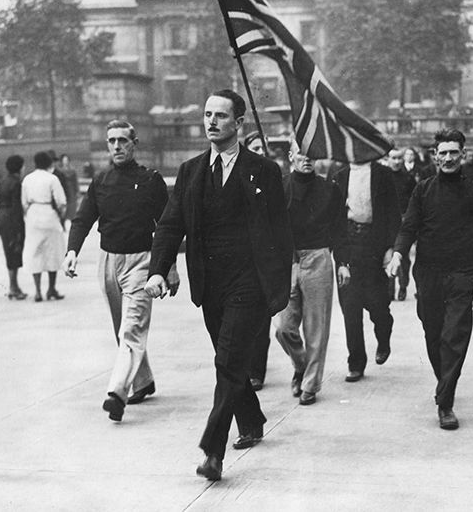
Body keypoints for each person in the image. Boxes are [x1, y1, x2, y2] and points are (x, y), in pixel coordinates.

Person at [144, 89, 293, 482]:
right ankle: (252, 418)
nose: (211, 122)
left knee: (228, 360)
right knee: (229, 357)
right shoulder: (192, 169)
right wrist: (160, 269)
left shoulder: (263, 170)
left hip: (249, 281)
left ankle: (213, 450)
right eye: (207, 114)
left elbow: (281, 232)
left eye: (221, 116)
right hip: (210, 282)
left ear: (239, 123)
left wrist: (278, 286)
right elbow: (171, 223)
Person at [61, 120, 176, 422]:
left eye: (123, 141)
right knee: (121, 329)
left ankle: (117, 393)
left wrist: (169, 267)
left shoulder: (151, 180)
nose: (116, 146)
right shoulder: (101, 181)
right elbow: (83, 219)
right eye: (111, 141)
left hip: (142, 263)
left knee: (131, 328)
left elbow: (167, 227)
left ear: (134, 143)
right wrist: (72, 251)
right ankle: (143, 381)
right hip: (108, 262)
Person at [386, 129, 473, 430]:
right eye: (443, 153)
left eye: (454, 152)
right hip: (428, 272)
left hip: (461, 272)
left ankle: (445, 403)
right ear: (435, 156)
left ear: (463, 154)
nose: (448, 158)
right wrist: (398, 253)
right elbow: (408, 227)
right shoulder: (422, 190)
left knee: (455, 336)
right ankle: (444, 383)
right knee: (433, 333)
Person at [274, 140, 346, 405]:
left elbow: (340, 229)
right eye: (301, 152)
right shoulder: (279, 187)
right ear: (291, 156)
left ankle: (310, 385)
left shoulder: (329, 190)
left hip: (318, 258)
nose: (307, 158)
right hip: (287, 260)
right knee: (283, 327)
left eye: (311, 153)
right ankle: (301, 364)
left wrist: (343, 263)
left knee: (317, 328)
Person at [332, 157, 400, 382]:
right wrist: (341, 259)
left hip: (375, 246)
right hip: (349, 244)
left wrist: (390, 248)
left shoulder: (383, 174)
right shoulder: (339, 174)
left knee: (378, 304)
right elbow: (335, 220)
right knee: (350, 308)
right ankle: (356, 363)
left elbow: (393, 214)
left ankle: (384, 336)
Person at [243, 130, 271, 391]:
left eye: (263, 148)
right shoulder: (239, 175)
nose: (260, 152)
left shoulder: (273, 177)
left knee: (261, 319)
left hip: (264, 258)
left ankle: (257, 371)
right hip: (240, 257)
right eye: (255, 148)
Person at [21, 151, 67, 302]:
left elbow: (24, 202)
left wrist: (29, 213)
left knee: (35, 252)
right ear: (49, 163)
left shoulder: (27, 179)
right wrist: (60, 215)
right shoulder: (52, 178)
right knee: (53, 252)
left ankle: (38, 291)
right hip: (49, 215)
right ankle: (51, 288)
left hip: (33, 215)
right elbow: (61, 201)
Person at [386, 148, 417, 301]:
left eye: (399, 158)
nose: (397, 162)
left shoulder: (408, 178)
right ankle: (389, 289)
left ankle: (403, 285)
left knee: (403, 256)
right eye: (394, 158)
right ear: (388, 159)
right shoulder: (382, 177)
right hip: (386, 222)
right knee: (387, 255)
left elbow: (415, 200)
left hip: (403, 221)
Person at [0, 155, 27, 299]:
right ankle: (13, 287)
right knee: (15, 251)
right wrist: (20, 228)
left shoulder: (2, 181)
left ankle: (13, 286)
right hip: (12, 219)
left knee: (8, 253)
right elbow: (17, 207)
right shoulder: (17, 183)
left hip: (3, 218)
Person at [58, 154, 80, 223]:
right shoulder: (60, 171)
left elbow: (75, 181)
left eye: (66, 160)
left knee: (72, 208)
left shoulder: (72, 170)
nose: (65, 162)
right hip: (64, 190)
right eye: (64, 160)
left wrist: (77, 191)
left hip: (71, 191)